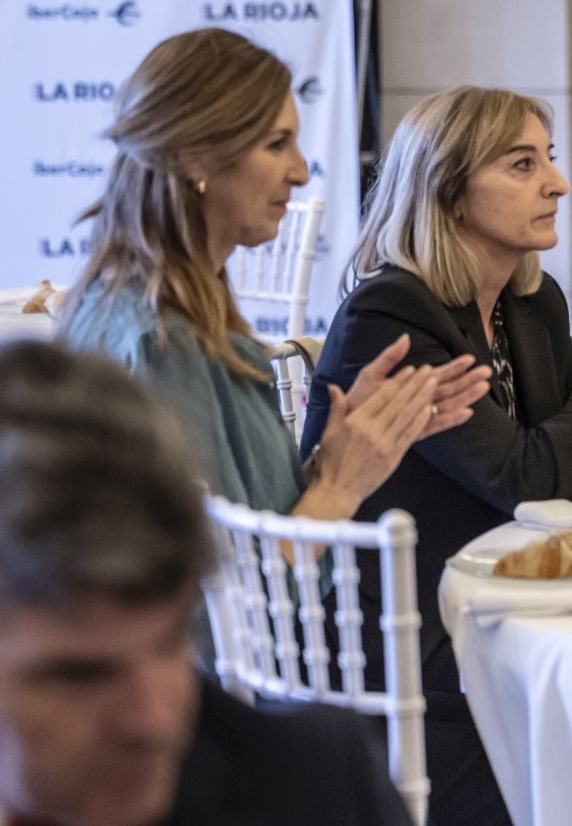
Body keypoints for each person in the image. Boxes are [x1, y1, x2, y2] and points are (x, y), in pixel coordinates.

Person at [307, 86, 572, 826]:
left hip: (508, 612)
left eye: (548, 159)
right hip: (412, 644)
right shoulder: (389, 317)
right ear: (448, 193)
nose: (558, 182)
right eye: (523, 165)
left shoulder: (529, 301)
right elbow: (523, 478)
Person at [59, 28, 488, 529]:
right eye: (276, 143)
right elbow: (231, 593)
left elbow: (258, 525)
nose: (302, 171)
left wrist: (341, 453)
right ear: (194, 156)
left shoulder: (157, 311)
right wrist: (338, 486)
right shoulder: (163, 341)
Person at [0, 341, 412, 826]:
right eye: (81, 676)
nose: (153, 721)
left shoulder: (313, 790)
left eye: (172, 642)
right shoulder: (161, 345)